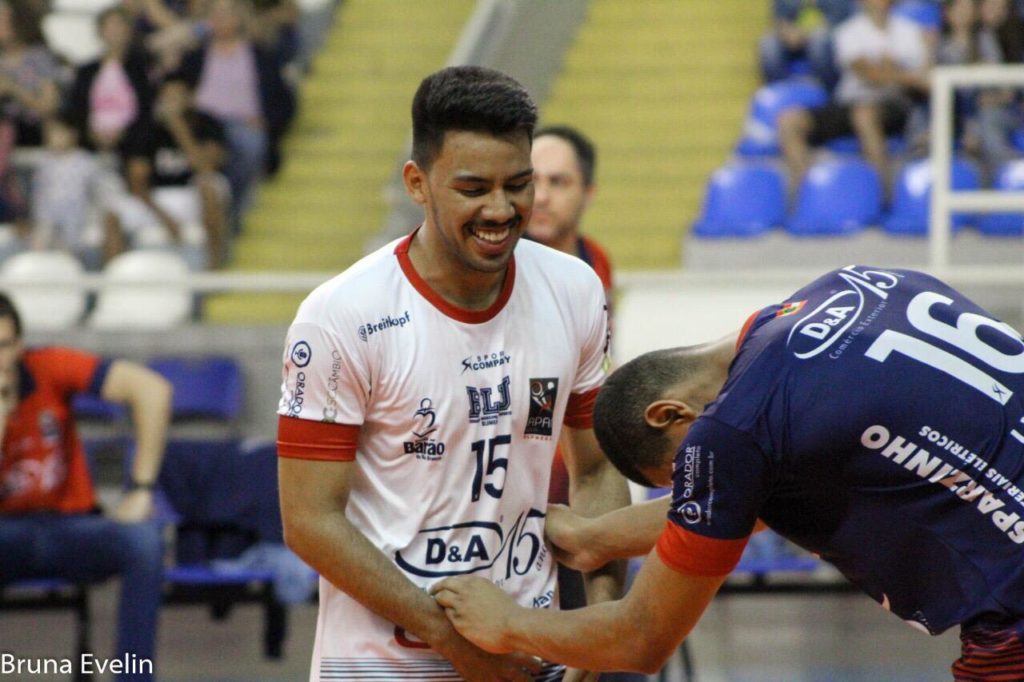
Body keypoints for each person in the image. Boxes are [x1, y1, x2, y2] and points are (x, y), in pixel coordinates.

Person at [433, 264, 1024, 680]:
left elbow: (643, 640)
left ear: (669, 413)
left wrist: (506, 623)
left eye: (680, 472)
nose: (695, 488)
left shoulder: (734, 432)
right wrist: (592, 538)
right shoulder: (845, 289)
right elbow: (752, 492)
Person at [276, 65, 631, 682]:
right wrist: (454, 640)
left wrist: (593, 629)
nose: (501, 209)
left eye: (518, 185)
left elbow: (596, 469)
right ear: (418, 182)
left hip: (533, 652)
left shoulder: (576, 289)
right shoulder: (340, 316)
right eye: (473, 189)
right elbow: (310, 522)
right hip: (380, 666)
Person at [0, 293, 173, 681]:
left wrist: (141, 488)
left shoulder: (46, 366)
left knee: (143, 542)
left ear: (20, 346)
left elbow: (152, 390)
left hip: (68, 527)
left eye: (4, 346)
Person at [777, 0, 932, 194]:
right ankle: (806, 196)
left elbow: (924, 81)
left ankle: (881, 194)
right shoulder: (849, 31)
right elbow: (868, 74)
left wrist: (887, 73)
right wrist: (897, 72)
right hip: (849, 103)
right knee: (789, 120)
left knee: (864, 115)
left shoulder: (910, 31)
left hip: (892, 105)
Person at [104, 75, 229, 270]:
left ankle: (213, 265)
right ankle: (112, 278)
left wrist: (178, 127)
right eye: (167, 97)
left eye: (177, 96)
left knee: (209, 187)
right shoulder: (145, 128)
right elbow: (137, 181)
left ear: (189, 98)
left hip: (191, 194)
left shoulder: (206, 123)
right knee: (112, 214)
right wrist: (164, 217)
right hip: (154, 198)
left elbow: (206, 167)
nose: (171, 102)